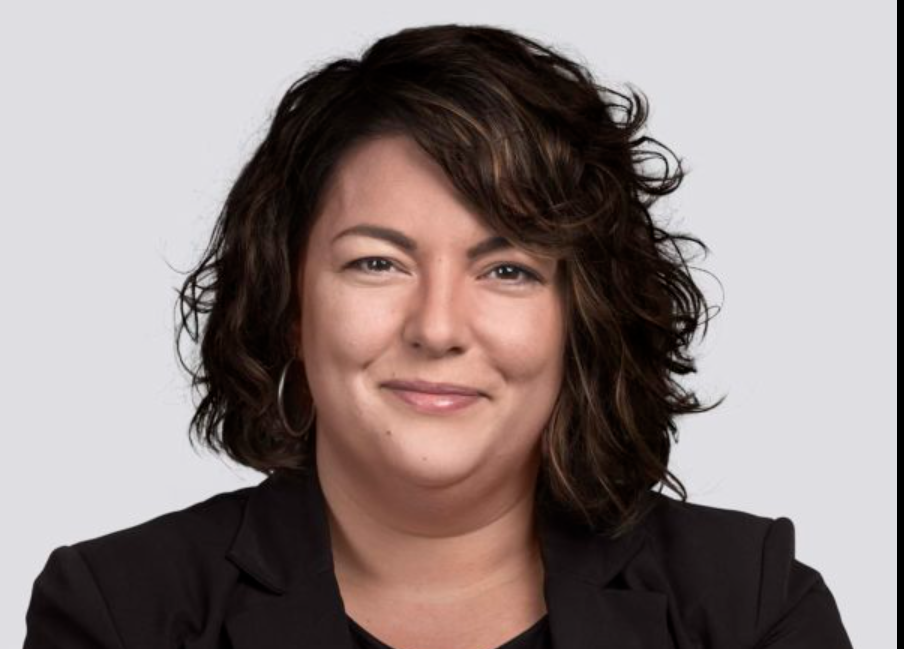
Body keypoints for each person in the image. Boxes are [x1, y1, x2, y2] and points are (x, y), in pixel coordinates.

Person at [22, 23, 854, 649]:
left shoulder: (749, 608)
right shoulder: (119, 613)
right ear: (288, 301)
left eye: (508, 270)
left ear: (583, 317)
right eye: (378, 262)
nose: (438, 327)